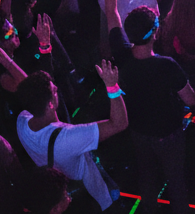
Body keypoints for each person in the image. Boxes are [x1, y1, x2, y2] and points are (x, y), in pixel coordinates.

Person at [103, 0, 195, 214]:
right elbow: (191, 99)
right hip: (168, 134)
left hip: (138, 131)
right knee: (176, 183)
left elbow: (111, 12)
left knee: (146, 180)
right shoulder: (166, 66)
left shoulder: (121, 54)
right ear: (155, 33)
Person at [16, 63, 128, 211]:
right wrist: (112, 86)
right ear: (50, 104)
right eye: (54, 90)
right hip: (95, 195)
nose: (57, 89)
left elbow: (29, 90)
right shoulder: (68, 138)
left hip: (69, 193)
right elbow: (119, 123)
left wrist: (7, 61)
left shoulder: (22, 121)